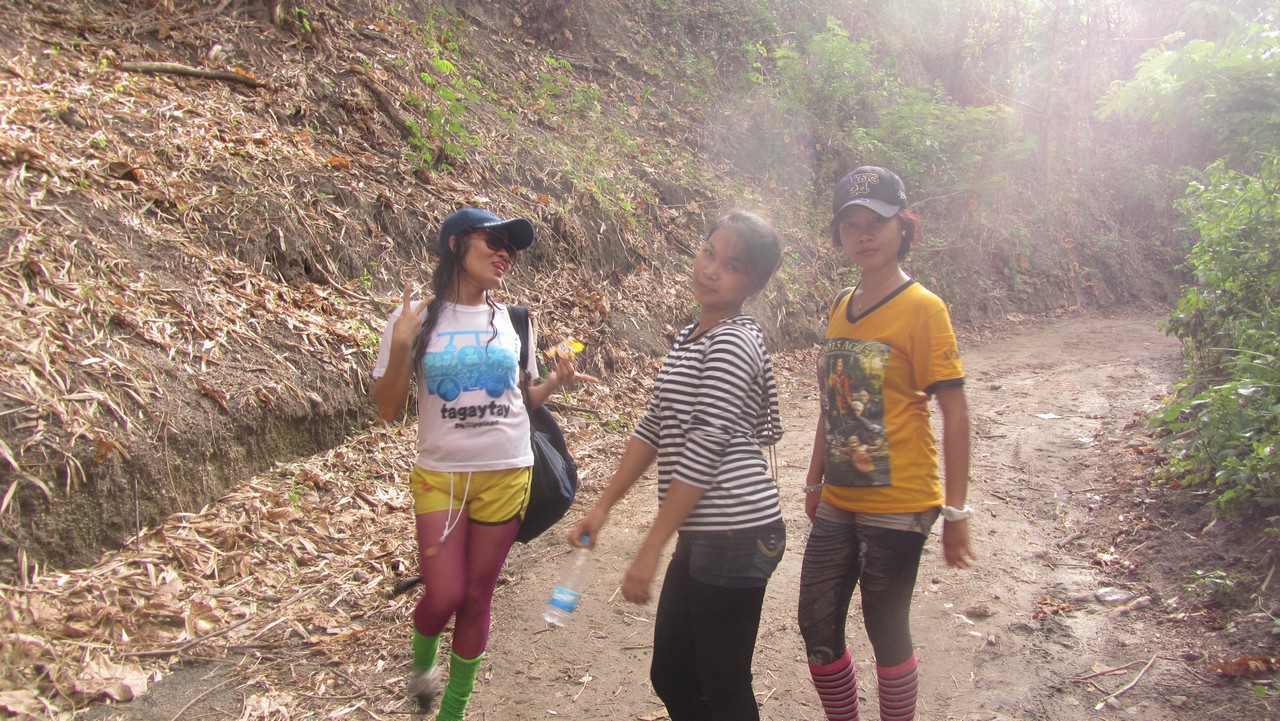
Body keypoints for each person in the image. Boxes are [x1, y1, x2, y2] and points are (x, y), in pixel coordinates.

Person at [371, 207, 590, 719]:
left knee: (475, 598)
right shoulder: (413, 319)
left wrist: (552, 384)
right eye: (493, 241)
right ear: (455, 244)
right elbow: (387, 409)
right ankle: (422, 667)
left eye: (511, 247)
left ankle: (453, 711)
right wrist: (401, 347)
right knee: (442, 594)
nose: (504, 253)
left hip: (508, 473)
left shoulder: (515, 321)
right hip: (440, 477)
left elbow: (520, 401)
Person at [568, 211, 785, 721]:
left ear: (752, 284)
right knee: (673, 675)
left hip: (737, 531)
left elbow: (704, 449)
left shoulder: (732, 341)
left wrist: (650, 548)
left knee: (722, 681)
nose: (711, 269)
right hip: (707, 532)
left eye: (731, 265)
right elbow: (652, 427)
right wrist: (601, 507)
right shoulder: (694, 335)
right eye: (709, 252)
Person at [799, 166, 976, 721]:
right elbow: (833, 402)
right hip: (840, 498)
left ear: (903, 226)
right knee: (816, 624)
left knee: (885, 625)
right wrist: (814, 480)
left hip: (901, 500)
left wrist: (957, 511)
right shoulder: (840, 304)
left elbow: (955, 411)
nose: (863, 234)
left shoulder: (924, 308)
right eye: (850, 224)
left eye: (875, 221)